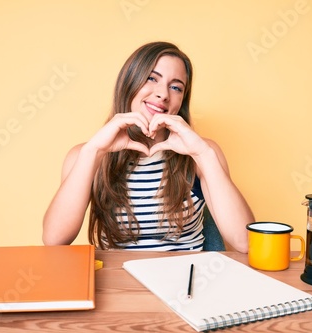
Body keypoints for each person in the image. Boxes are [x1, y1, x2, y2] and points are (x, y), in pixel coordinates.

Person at [42, 41, 254, 252]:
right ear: (129, 82)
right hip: (118, 282)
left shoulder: (202, 153)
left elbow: (245, 242)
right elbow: (55, 239)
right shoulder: (85, 154)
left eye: (176, 87)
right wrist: (94, 151)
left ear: (181, 101)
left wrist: (203, 153)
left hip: (187, 279)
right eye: (152, 78)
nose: (163, 94)